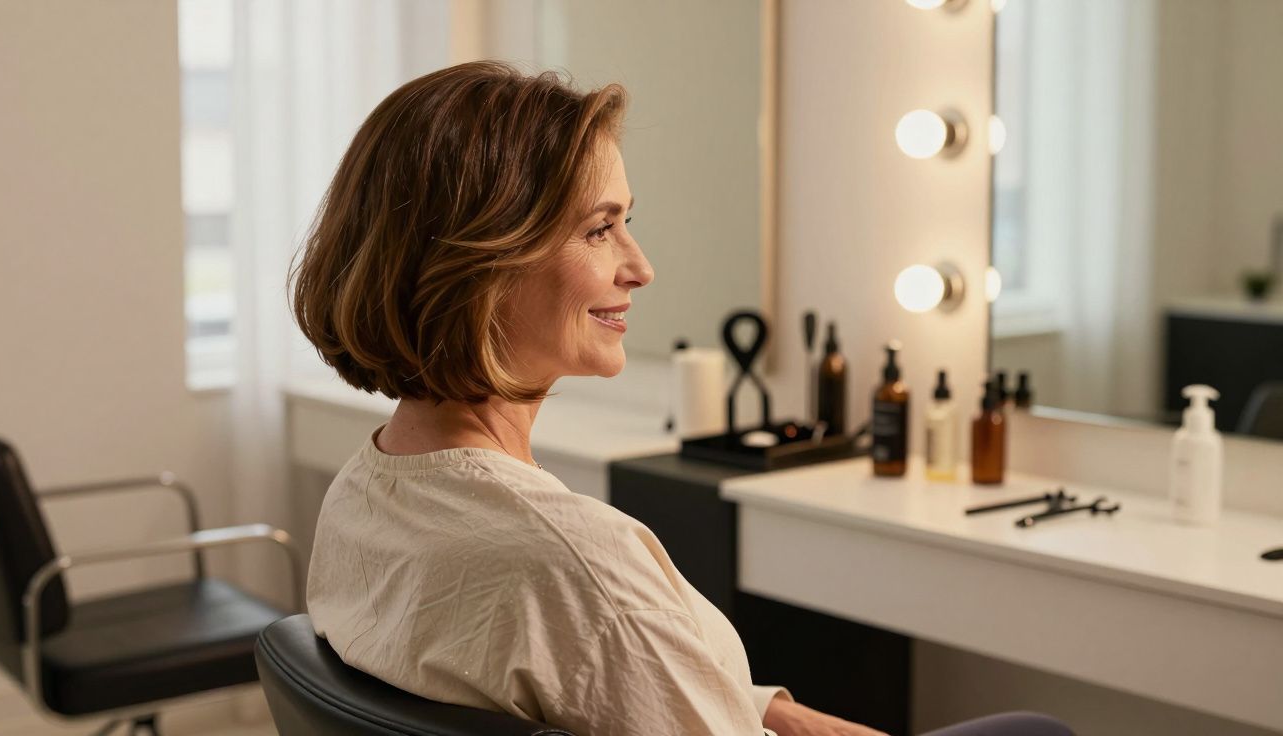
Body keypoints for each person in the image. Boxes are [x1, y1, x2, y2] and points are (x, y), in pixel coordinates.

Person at [292, 60, 1071, 736]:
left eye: (628, 222)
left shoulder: (365, 493)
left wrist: (766, 708)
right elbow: (603, 638)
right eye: (600, 231)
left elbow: (594, 677)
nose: (640, 266)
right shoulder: (573, 562)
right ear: (479, 262)